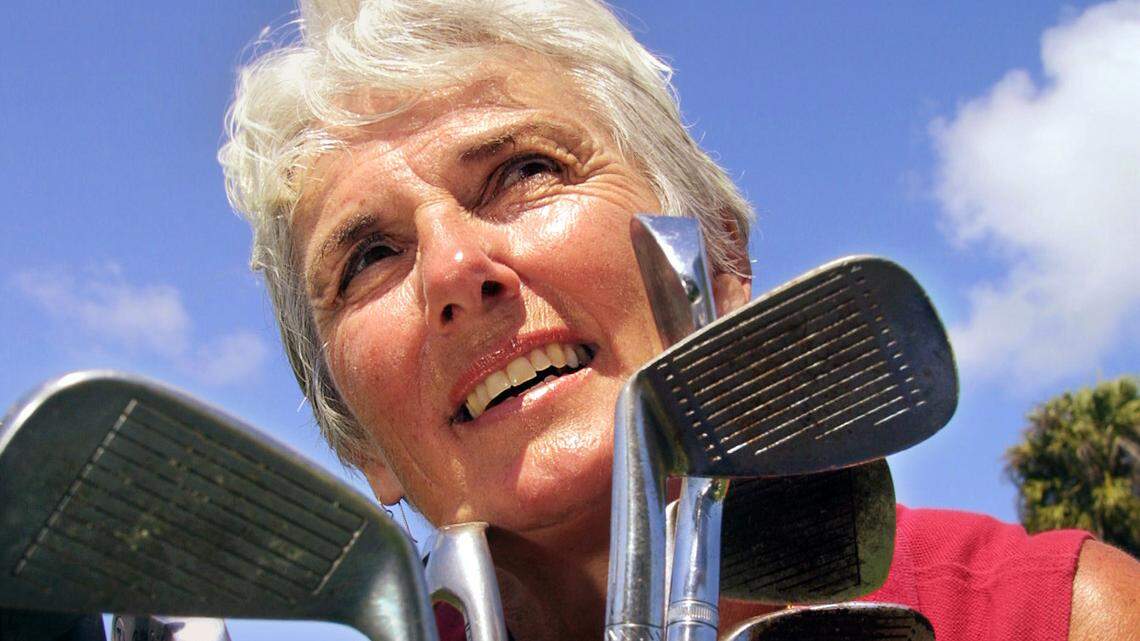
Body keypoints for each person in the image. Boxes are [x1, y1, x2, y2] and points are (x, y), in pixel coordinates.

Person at [218, 1, 1140, 639]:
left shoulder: (1060, 615)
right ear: (360, 446)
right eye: (369, 256)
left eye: (524, 171)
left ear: (724, 266)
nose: (455, 269)